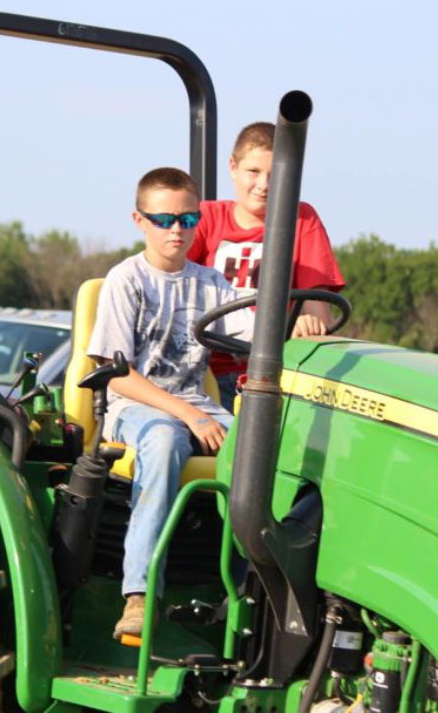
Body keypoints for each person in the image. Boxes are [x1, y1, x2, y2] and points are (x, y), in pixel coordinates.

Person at [87, 167, 316, 639]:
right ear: (140, 219)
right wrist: (187, 413)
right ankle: (139, 594)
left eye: (188, 219)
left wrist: (297, 328)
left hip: (194, 406)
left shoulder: (210, 284)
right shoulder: (126, 280)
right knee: (166, 440)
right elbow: (118, 375)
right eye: (165, 219)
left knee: (259, 453)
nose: (177, 230)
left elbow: (251, 333)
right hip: (134, 409)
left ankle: (252, 591)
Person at [188, 122, 345, 411]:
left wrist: (305, 322)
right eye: (254, 172)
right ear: (233, 167)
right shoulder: (208, 217)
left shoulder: (301, 220)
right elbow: (171, 279)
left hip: (275, 373)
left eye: (275, 175)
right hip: (207, 373)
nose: (263, 185)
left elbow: (316, 315)